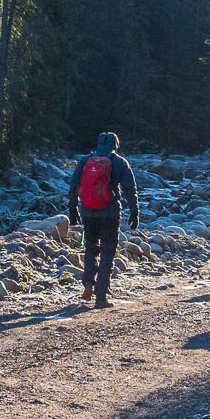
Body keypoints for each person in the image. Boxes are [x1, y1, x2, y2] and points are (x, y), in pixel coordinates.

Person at [66, 132, 140, 308]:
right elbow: (130, 188)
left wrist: (72, 208)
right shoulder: (120, 162)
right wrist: (134, 212)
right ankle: (101, 296)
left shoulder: (86, 160)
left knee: (90, 249)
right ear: (116, 145)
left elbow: (74, 184)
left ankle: (89, 284)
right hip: (110, 213)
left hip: (88, 211)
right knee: (108, 252)